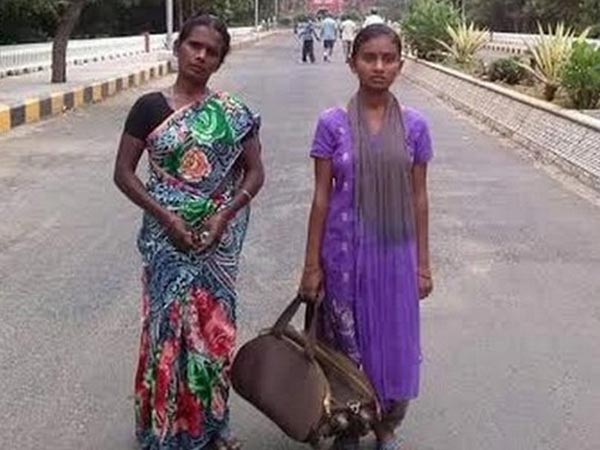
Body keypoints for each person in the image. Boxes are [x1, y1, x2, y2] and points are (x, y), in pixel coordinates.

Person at [113, 13, 265, 450]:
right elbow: (124, 173)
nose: (200, 56)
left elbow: (254, 172)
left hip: (217, 244)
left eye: (211, 52)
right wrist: (167, 218)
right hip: (166, 241)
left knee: (214, 333)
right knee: (166, 332)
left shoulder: (232, 114)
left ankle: (213, 426)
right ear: (178, 46)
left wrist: (223, 217)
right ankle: (163, 429)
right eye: (194, 46)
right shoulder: (149, 108)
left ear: (219, 60)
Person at [299, 24, 433, 450]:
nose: (379, 66)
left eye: (388, 59)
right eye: (369, 58)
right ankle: (349, 424)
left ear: (400, 65)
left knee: (392, 343)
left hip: (395, 256)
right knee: (344, 345)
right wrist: (311, 265)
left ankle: (386, 425)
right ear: (352, 62)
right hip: (342, 256)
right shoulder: (332, 124)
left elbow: (419, 198)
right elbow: (321, 198)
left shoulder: (415, 126)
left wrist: (423, 265)